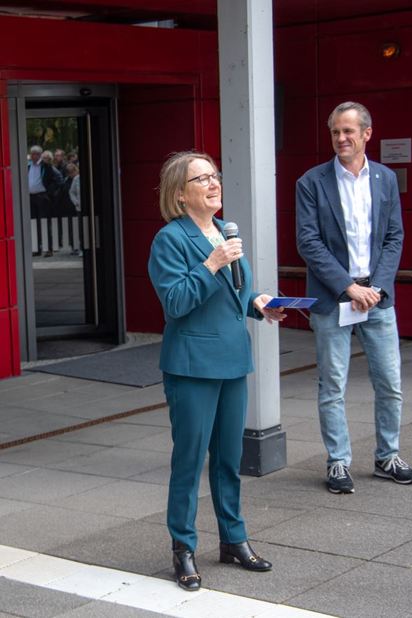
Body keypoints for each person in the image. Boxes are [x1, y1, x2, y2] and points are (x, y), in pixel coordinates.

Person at [148, 151, 285, 591]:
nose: (213, 183)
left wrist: (260, 303)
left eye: (215, 176)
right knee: (189, 461)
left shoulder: (223, 233)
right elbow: (175, 303)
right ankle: (183, 548)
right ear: (180, 194)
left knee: (228, 460)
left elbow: (236, 290)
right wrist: (212, 263)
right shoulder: (170, 240)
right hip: (192, 365)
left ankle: (233, 539)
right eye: (201, 178)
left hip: (231, 359)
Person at [296, 101, 412, 494]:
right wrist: (348, 287)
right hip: (336, 297)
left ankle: (388, 456)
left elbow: (394, 236)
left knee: (390, 381)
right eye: (335, 131)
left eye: (348, 131)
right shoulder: (311, 182)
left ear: (368, 133)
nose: (340, 138)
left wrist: (376, 288)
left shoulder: (384, 180)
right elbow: (308, 242)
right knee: (332, 384)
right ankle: (338, 463)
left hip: (378, 296)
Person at [28, 145, 63, 257]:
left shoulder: (46, 166)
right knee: (33, 223)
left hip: (42, 197)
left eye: (35, 154)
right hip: (30, 197)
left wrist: (49, 192)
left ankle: (49, 249)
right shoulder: (28, 166)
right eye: (32, 153)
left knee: (44, 223)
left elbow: (58, 179)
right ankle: (36, 248)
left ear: (39, 155)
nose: (33, 156)